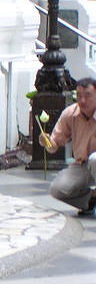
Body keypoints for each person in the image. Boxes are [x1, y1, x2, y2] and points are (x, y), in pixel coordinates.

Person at [40, 77, 96, 216]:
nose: (82, 100)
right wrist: (46, 141)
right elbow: (54, 145)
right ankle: (90, 200)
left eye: (88, 95)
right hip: (82, 164)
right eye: (79, 96)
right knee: (58, 189)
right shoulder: (70, 113)